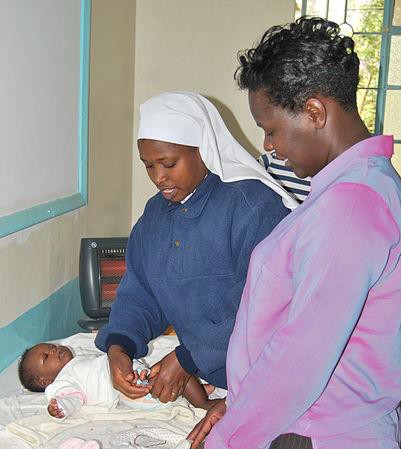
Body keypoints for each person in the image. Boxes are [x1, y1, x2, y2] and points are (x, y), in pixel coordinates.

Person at [188, 17, 401, 449]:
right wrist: (242, 404)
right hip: (300, 416)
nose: (269, 146)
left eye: (271, 129)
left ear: (314, 112)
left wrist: (229, 439)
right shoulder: (350, 189)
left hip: (321, 430)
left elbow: (301, 358)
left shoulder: (351, 207)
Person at [94, 91, 297, 408]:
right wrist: (119, 345)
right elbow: (141, 294)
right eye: (148, 166)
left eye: (169, 163)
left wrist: (188, 357)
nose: (159, 178)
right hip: (208, 378)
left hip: (268, 378)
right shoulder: (154, 218)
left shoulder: (252, 207)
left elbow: (263, 305)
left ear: (204, 150)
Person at [18, 339, 217, 420]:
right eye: (46, 357)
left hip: (136, 373)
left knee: (173, 372)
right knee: (174, 376)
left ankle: (198, 391)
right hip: (130, 390)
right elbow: (72, 398)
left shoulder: (77, 361)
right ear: (45, 381)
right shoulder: (62, 382)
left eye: (50, 346)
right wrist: (61, 406)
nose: (53, 350)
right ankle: (204, 402)